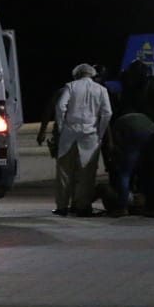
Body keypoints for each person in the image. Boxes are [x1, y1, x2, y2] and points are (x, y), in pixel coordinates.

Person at [105, 62, 154, 216]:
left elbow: (115, 114)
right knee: (149, 171)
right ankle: (147, 204)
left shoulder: (126, 90)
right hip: (148, 130)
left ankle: (123, 206)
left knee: (126, 171)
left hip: (128, 129)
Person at [53, 63, 113, 217]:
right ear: (92, 74)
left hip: (69, 133)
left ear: (76, 74)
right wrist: (100, 132)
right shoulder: (101, 90)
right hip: (90, 134)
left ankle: (62, 207)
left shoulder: (70, 86)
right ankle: (82, 206)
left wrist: (61, 127)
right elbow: (107, 113)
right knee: (87, 173)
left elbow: (60, 106)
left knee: (65, 171)